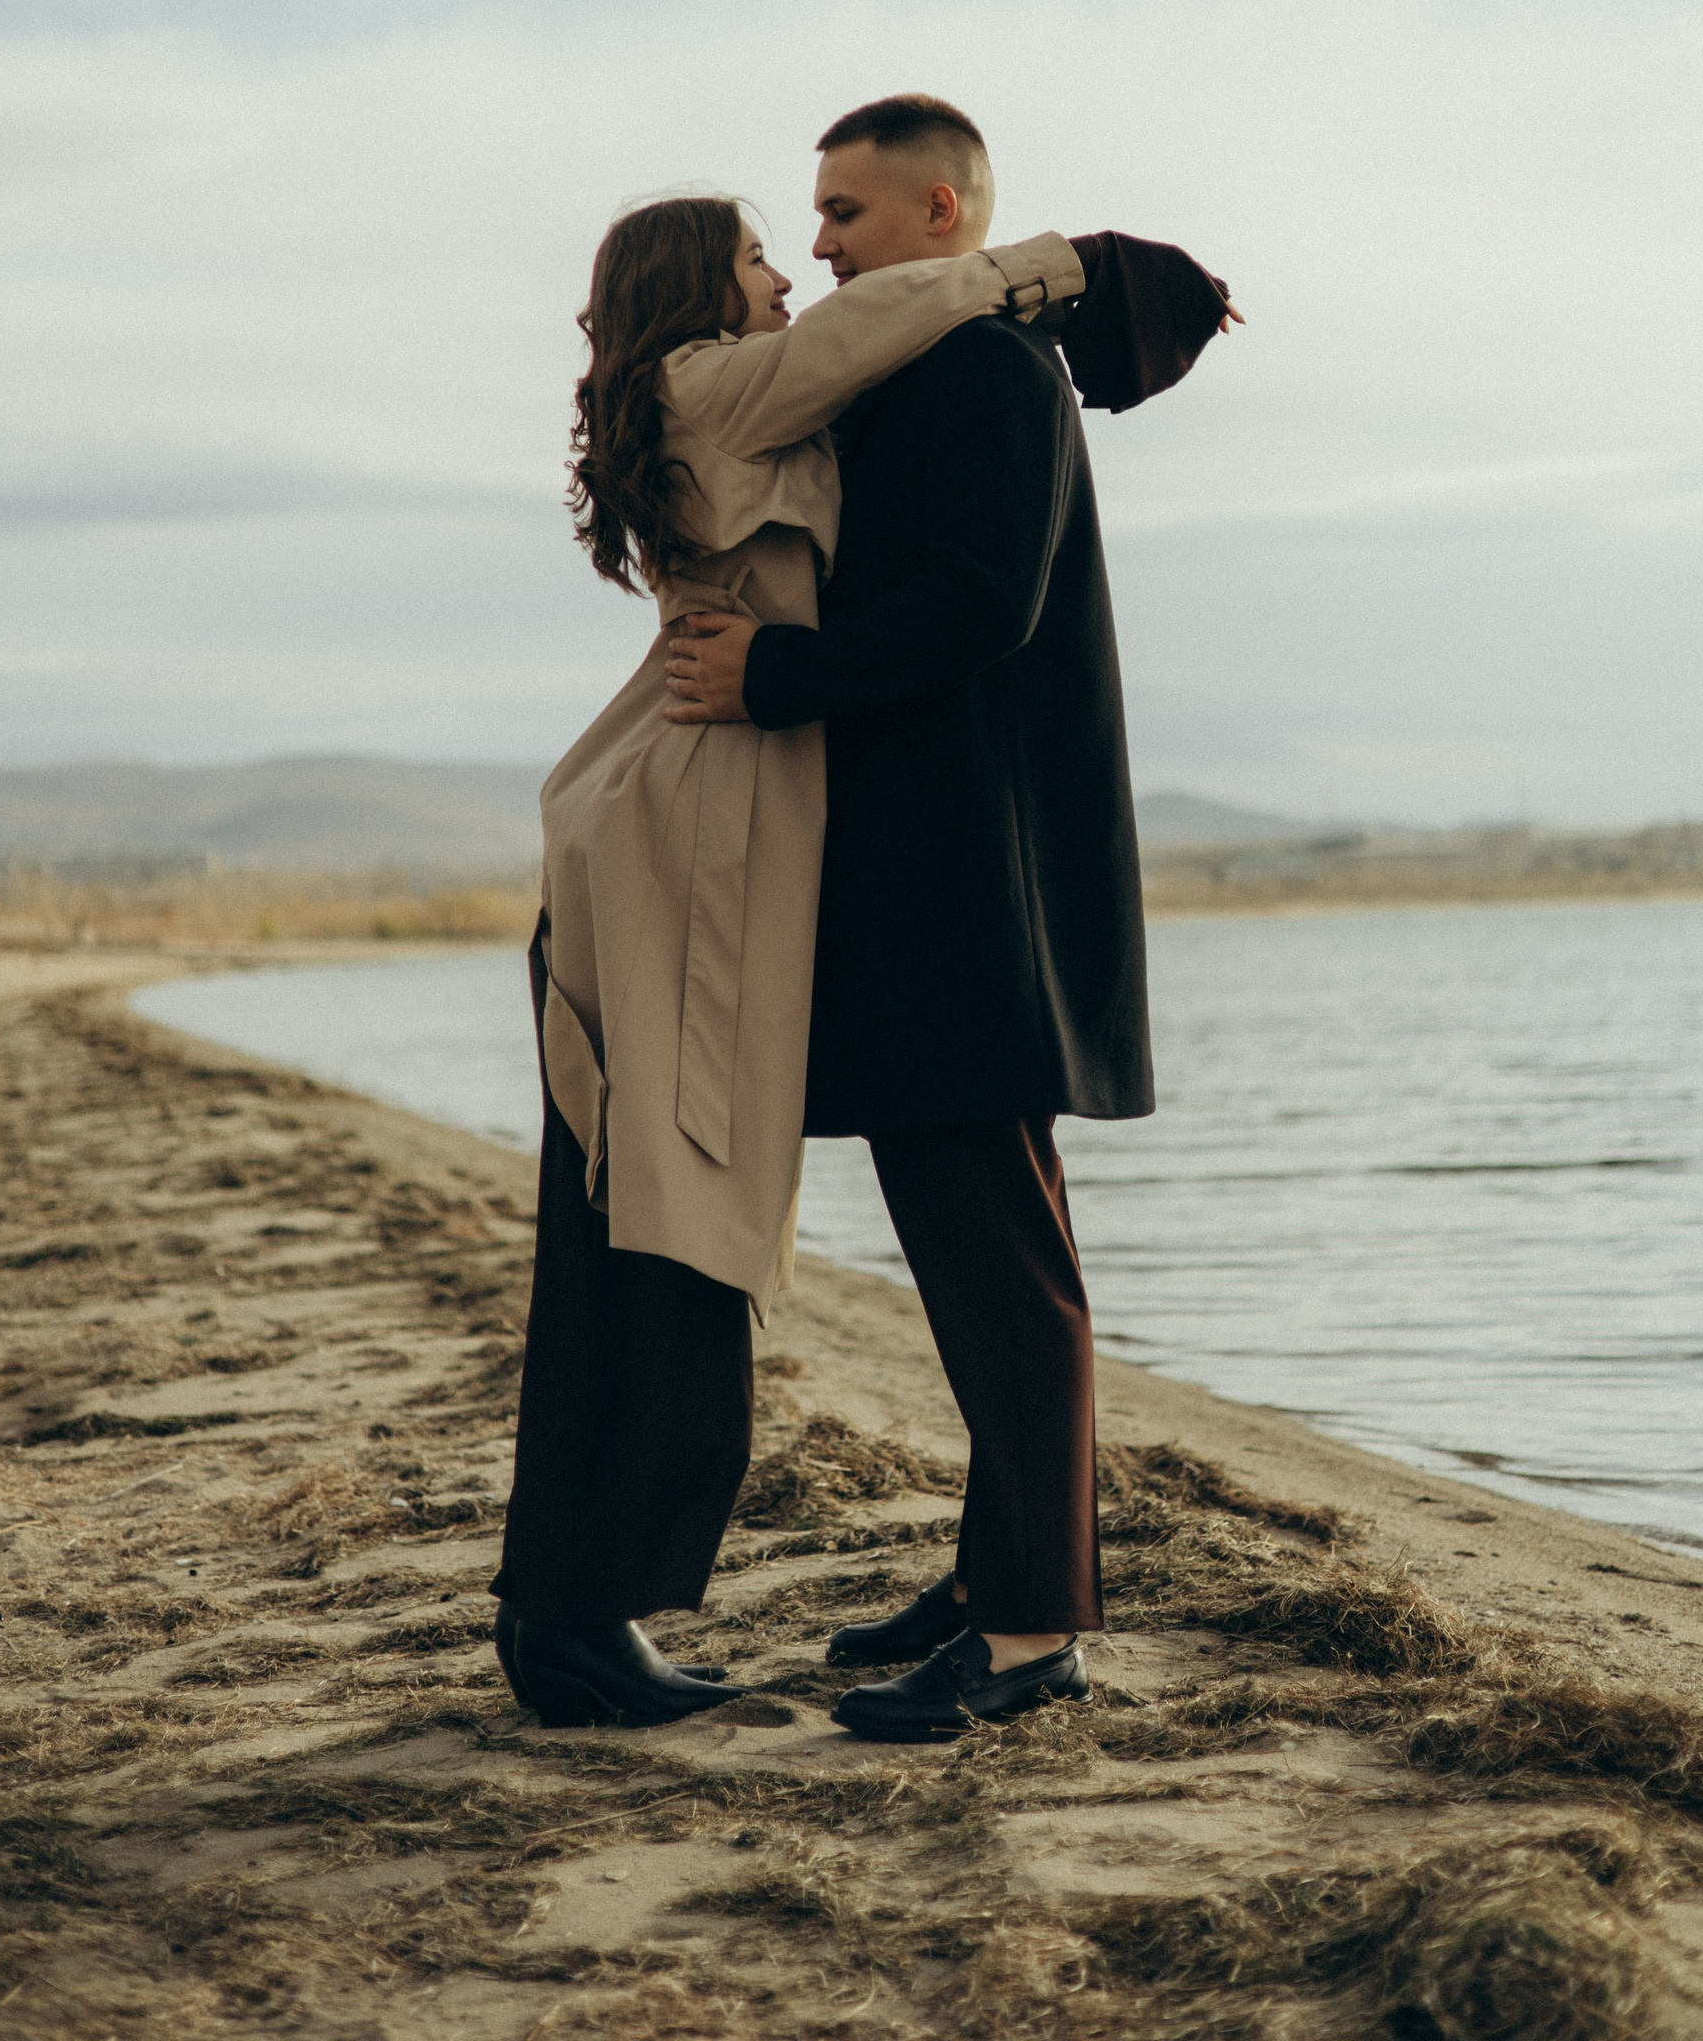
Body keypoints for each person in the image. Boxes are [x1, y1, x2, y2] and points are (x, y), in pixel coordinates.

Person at [665, 95, 1235, 1741]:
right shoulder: (917, 367)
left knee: (1002, 1272)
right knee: (987, 1258)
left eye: (843, 213)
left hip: (979, 892)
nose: (820, 244)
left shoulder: (987, 367)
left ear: (940, 213)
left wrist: (776, 672)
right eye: (812, 216)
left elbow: (985, 606)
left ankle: (1033, 1635)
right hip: (935, 884)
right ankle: (1000, 1576)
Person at [491, 187, 1088, 1727]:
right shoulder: (711, 379)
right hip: (680, 826)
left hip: (691, 816)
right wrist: (1061, 268)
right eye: (762, 250)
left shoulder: (717, 396)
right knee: (667, 1205)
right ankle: (571, 1619)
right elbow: (888, 311)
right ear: (698, 285)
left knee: (660, 1203)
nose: (793, 273)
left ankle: (575, 1612)